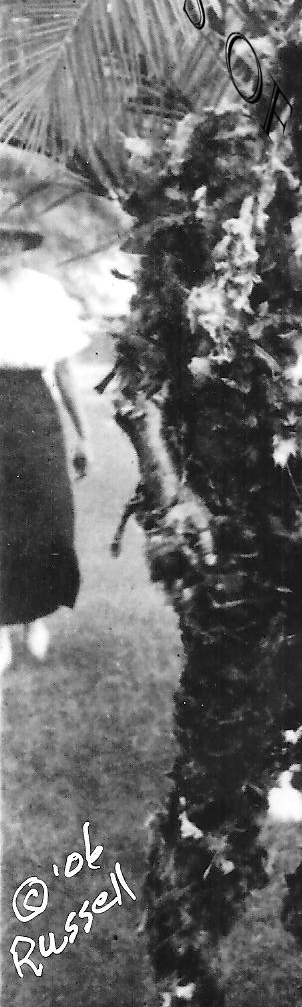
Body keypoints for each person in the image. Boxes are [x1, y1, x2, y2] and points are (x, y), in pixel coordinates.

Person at [0, 220, 91, 673]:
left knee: (46, 513)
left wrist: (83, 434)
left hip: (34, 409)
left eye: (8, 240)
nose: (2, 248)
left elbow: (68, 370)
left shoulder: (45, 292)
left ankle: (35, 616)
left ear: (22, 244)